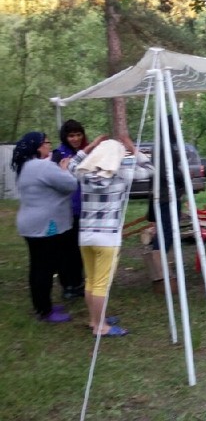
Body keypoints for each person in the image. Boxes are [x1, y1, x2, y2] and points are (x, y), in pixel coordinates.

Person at [69, 135, 155, 337]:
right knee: (101, 284)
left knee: (91, 280)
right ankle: (101, 327)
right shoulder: (122, 174)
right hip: (107, 238)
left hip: (85, 236)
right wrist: (132, 148)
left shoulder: (84, 173)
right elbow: (151, 169)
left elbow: (72, 163)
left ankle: (94, 320)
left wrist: (91, 146)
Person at [13, 132, 78, 322]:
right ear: (38, 146)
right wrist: (64, 169)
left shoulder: (25, 166)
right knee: (44, 268)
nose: (50, 146)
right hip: (45, 225)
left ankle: (41, 305)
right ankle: (45, 311)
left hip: (30, 223)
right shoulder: (43, 166)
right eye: (47, 143)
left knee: (38, 265)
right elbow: (70, 184)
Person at [146, 116, 184, 295]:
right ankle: (161, 274)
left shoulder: (164, 145)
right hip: (166, 196)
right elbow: (164, 172)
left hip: (165, 194)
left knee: (166, 232)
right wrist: (182, 175)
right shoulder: (163, 147)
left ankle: (162, 272)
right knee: (166, 232)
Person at [52, 119, 88, 300]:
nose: (75, 139)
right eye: (71, 135)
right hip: (65, 209)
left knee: (81, 248)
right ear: (65, 137)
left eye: (78, 134)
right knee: (66, 249)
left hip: (84, 208)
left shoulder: (85, 152)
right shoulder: (59, 154)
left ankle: (78, 283)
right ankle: (68, 285)